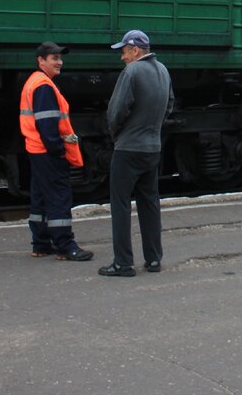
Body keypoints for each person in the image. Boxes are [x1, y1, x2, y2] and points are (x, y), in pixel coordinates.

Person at [98, 29, 174, 277]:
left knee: (120, 204)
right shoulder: (163, 70)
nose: (122, 57)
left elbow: (116, 110)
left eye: (124, 52)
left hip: (128, 148)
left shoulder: (132, 71)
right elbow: (169, 105)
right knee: (149, 203)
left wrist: (116, 134)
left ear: (135, 50)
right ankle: (153, 260)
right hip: (152, 148)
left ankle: (123, 263)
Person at [19, 41, 93, 262]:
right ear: (41, 60)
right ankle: (64, 245)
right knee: (58, 196)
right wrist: (58, 149)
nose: (59, 62)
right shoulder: (43, 85)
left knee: (41, 196)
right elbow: (48, 123)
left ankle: (41, 243)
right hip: (47, 150)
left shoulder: (35, 82)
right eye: (54, 58)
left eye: (60, 58)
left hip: (36, 149)